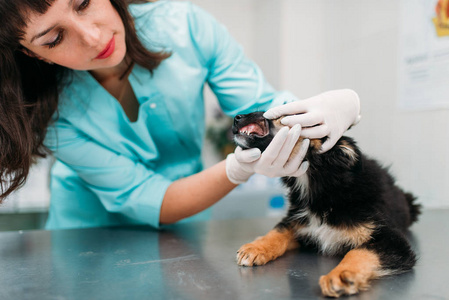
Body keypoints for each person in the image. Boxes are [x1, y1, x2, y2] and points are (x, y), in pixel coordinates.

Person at [0, 0, 360, 229]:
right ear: (32, 53)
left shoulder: (184, 27)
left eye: (83, 2)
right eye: (54, 38)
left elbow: (263, 108)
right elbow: (145, 195)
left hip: (187, 219)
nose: (92, 37)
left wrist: (324, 111)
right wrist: (238, 168)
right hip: (88, 235)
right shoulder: (45, 111)